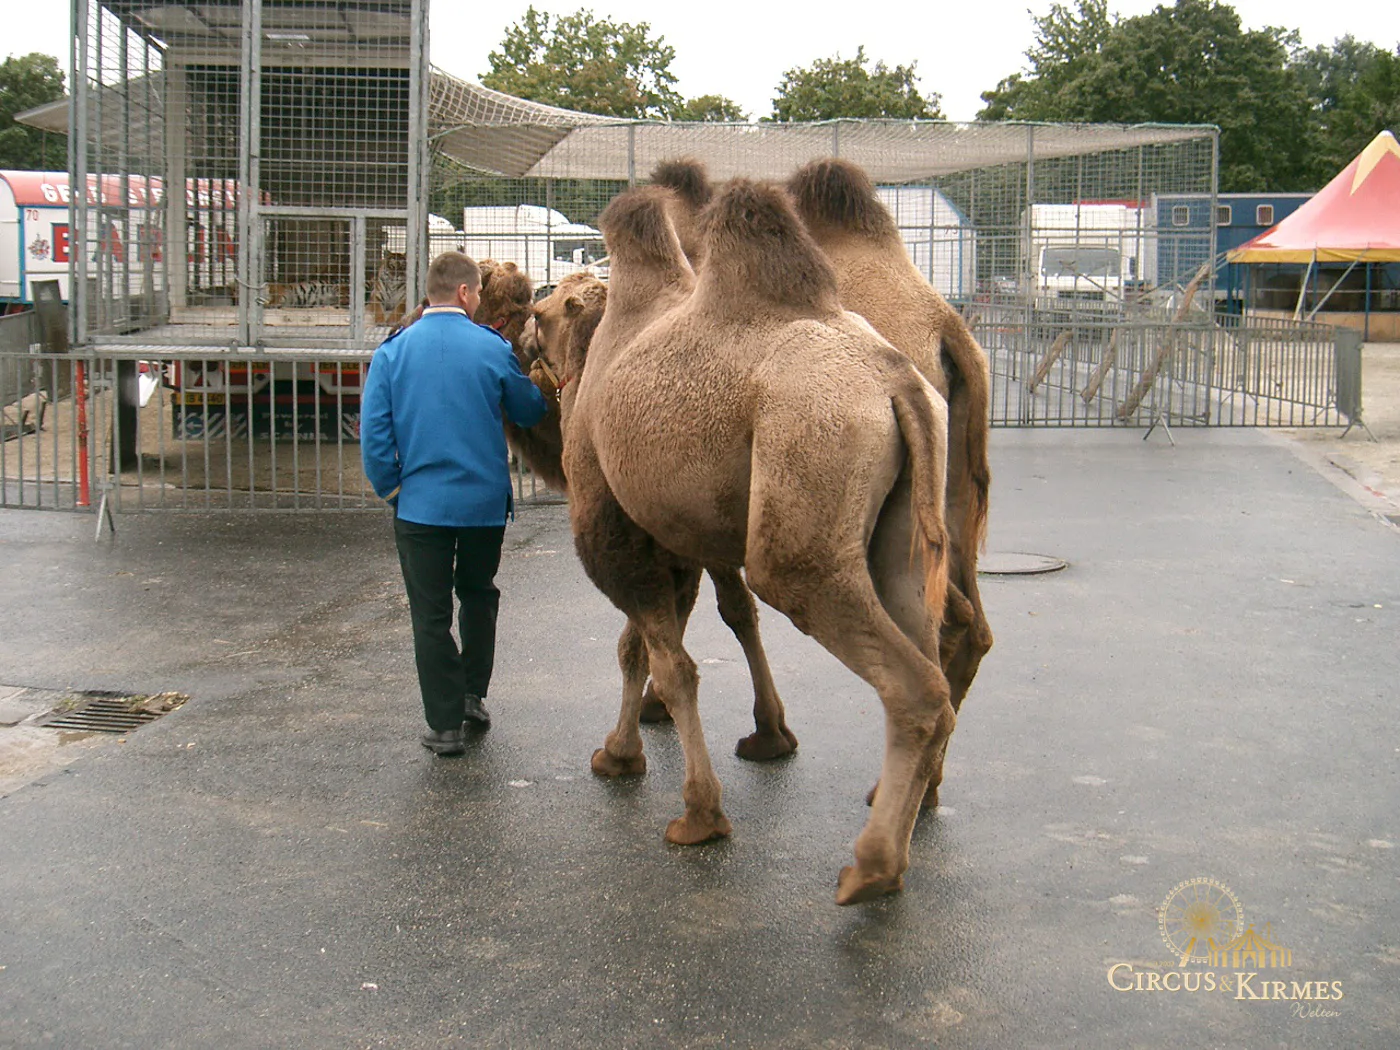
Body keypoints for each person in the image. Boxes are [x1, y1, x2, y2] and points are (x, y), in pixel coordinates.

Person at [361, 251, 553, 756]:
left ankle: (444, 727)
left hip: (419, 508)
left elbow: (374, 437)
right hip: (482, 509)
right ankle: (472, 696)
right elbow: (529, 411)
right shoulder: (491, 346)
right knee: (478, 596)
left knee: (429, 614)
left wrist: (393, 491)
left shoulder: (392, 353)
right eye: (477, 293)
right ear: (466, 293)